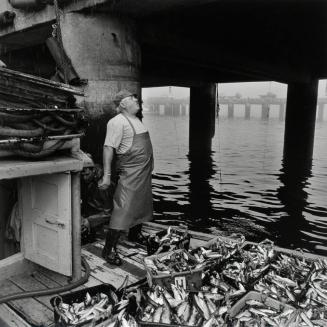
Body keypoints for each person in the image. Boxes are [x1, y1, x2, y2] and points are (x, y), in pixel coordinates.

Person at [98, 89, 154, 265]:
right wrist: (107, 176)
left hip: (143, 172)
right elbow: (108, 148)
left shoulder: (136, 119)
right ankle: (109, 250)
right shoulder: (117, 122)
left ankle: (135, 234)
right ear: (123, 104)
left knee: (142, 203)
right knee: (123, 208)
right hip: (130, 172)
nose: (137, 100)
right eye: (132, 98)